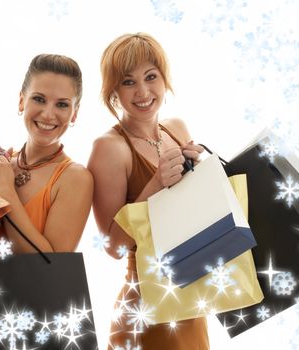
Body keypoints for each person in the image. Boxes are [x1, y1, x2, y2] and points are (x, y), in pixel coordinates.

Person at [88, 33, 209, 349]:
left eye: (151, 77)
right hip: (145, 304)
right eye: (128, 82)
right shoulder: (109, 149)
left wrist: (205, 173)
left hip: (191, 296)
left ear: (164, 78)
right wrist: (156, 185)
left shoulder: (177, 129)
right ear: (113, 90)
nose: (142, 92)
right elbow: (113, 247)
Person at [0, 54, 93, 254]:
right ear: (22, 101)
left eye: (62, 104)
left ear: (74, 113)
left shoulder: (75, 178)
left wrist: (5, 191)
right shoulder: (0, 165)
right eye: (39, 99)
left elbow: (53, 268)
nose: (48, 114)